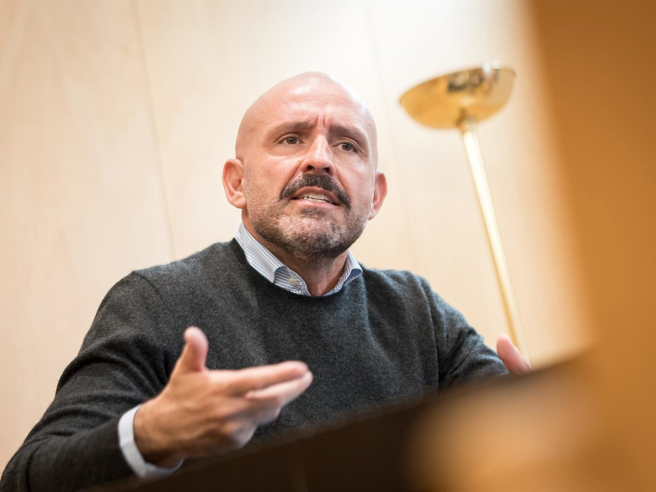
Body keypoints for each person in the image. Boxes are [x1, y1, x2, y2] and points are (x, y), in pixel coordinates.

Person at [0, 72, 531, 492]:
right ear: (237, 183)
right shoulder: (155, 302)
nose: (320, 159)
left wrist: (538, 417)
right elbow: (27, 477)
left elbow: (512, 435)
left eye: (347, 145)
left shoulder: (417, 309)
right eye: (290, 138)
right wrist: (152, 435)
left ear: (375, 196)